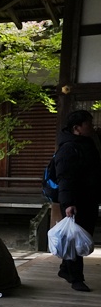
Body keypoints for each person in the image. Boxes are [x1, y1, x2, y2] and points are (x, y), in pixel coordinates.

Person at [55, 110, 101, 291]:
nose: (92, 126)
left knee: (81, 236)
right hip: (76, 202)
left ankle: (65, 269)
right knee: (76, 240)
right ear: (77, 128)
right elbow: (64, 179)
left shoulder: (87, 144)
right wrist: (68, 204)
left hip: (88, 199)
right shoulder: (68, 148)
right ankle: (76, 278)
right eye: (88, 124)